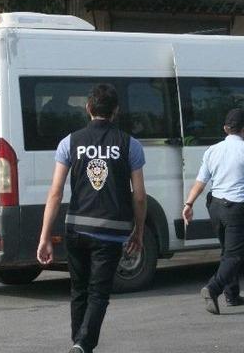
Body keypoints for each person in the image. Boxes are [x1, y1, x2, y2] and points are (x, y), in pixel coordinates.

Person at [37, 84, 147, 353]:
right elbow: (140, 196)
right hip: (112, 231)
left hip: (76, 228)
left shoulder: (69, 142)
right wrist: (139, 231)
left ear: (88, 108)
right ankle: (82, 345)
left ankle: (79, 344)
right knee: (98, 293)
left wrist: (44, 236)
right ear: (116, 111)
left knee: (79, 290)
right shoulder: (130, 145)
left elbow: (55, 193)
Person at [182, 108, 244, 315]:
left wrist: (188, 204)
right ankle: (213, 288)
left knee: (227, 251)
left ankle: (232, 294)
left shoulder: (212, 151)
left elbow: (200, 182)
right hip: (236, 210)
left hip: (215, 208)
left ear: (226, 129)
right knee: (234, 256)